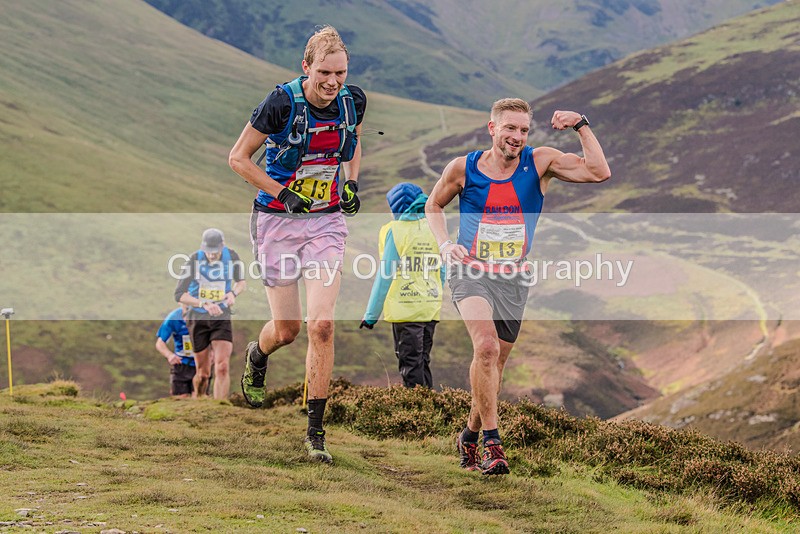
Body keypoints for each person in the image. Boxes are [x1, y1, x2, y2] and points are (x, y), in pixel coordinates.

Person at [425, 98, 610, 475]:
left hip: (513, 278)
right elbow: (433, 205)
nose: (517, 137)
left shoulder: (539, 162)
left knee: (495, 365)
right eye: (510, 128)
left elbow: (598, 172)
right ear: (492, 128)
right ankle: (494, 445)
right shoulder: (464, 168)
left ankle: (470, 436)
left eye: (524, 130)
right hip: (470, 272)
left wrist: (581, 125)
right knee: (487, 348)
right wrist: (446, 245)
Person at [228, 25, 367, 463]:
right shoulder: (281, 102)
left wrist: (351, 183)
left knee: (321, 325)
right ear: (306, 67)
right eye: (324, 72)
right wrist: (282, 191)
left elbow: (353, 142)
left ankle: (316, 433)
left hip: (325, 223)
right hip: (276, 221)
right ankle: (258, 352)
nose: (332, 82)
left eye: (340, 73)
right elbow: (237, 158)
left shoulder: (352, 100)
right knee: (287, 331)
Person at [360, 182, 444, 389]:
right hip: (430, 307)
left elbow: (385, 275)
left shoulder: (394, 231)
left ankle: (416, 413)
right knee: (423, 360)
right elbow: (442, 270)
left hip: (405, 309)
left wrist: (371, 316)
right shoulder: (434, 228)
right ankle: (429, 409)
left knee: (409, 364)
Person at [174, 228, 246, 400]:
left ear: (222, 247)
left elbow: (241, 282)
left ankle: (220, 407)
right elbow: (179, 294)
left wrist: (233, 294)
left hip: (221, 316)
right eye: (209, 252)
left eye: (215, 252)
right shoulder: (194, 260)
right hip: (197, 317)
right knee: (203, 373)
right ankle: (198, 399)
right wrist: (202, 303)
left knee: (222, 367)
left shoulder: (232, 256)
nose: (212, 255)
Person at [155, 306, 198, 397]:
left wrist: (213, 353)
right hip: (181, 363)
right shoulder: (173, 317)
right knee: (180, 399)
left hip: (201, 364)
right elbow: (160, 343)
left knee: (199, 398)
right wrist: (169, 355)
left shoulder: (205, 314)